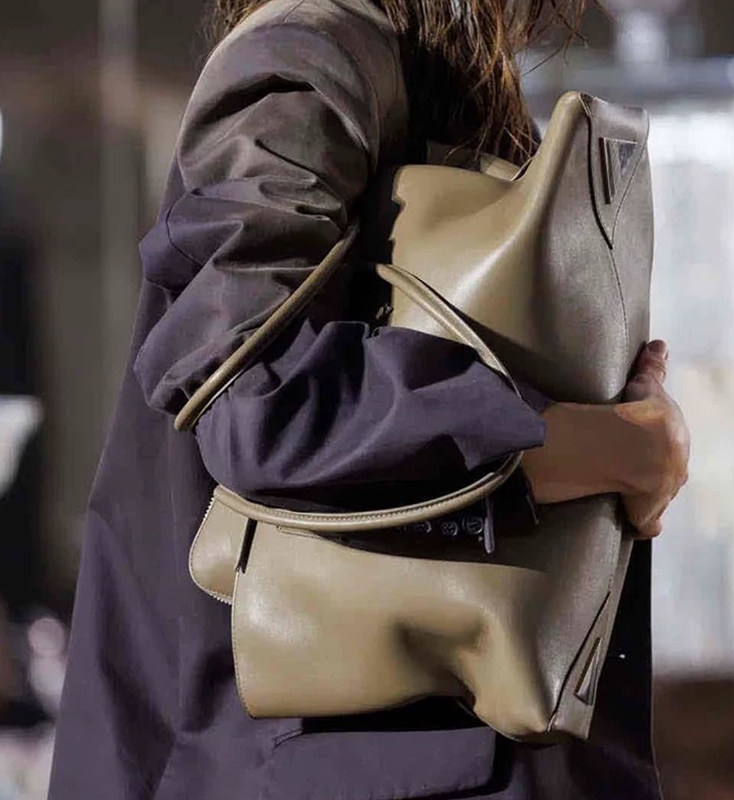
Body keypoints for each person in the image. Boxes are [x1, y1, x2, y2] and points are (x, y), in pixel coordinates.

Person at [46, 0, 690, 798]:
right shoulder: (305, 59)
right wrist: (593, 448)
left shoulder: (418, 68)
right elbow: (258, 399)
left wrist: (630, 433)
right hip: (335, 754)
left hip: (423, 741)